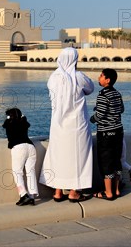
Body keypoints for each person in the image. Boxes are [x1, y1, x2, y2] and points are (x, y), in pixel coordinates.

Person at [39, 47, 95, 203]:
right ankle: (74, 192)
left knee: (58, 156)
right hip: (78, 125)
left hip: (58, 125)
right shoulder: (78, 77)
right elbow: (90, 88)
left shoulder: (53, 77)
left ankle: (57, 192)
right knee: (78, 156)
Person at [90, 68, 124, 200]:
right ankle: (116, 190)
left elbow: (100, 115)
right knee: (116, 160)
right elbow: (121, 109)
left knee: (106, 162)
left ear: (107, 80)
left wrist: (91, 119)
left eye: (101, 76)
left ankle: (108, 193)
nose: (99, 78)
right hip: (118, 131)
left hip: (106, 133)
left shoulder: (103, 94)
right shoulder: (117, 93)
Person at [3, 107, 38, 206]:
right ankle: (32, 196)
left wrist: (9, 117)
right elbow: (26, 122)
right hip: (31, 147)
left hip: (19, 148)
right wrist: (22, 116)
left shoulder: (9, 124)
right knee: (30, 171)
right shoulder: (24, 123)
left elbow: (5, 124)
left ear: (10, 116)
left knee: (17, 172)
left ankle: (23, 195)